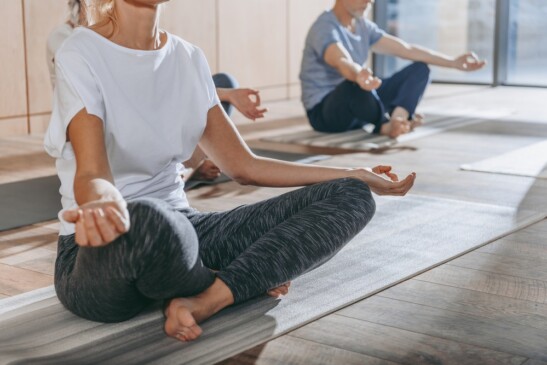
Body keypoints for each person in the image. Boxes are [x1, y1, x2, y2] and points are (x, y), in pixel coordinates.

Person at [45, 0, 416, 342]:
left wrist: (354, 172)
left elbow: (244, 166)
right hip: (104, 254)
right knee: (149, 219)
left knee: (351, 196)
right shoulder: (82, 51)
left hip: (188, 232)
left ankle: (209, 298)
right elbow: (91, 172)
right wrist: (104, 204)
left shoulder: (188, 58)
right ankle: (240, 279)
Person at [46, 0, 267, 183]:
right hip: (94, 118)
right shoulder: (73, 45)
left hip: (146, 120)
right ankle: (193, 165)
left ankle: (194, 162)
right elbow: (128, 90)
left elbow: (245, 166)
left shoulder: (184, 52)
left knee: (222, 81)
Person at [300, 0, 486, 138]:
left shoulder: (363, 26)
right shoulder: (324, 27)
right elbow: (341, 60)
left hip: (361, 106)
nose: (370, 1)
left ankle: (398, 119)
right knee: (354, 85)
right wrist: (358, 75)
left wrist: (453, 62)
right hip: (326, 114)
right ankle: (384, 125)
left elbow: (406, 49)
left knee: (420, 69)